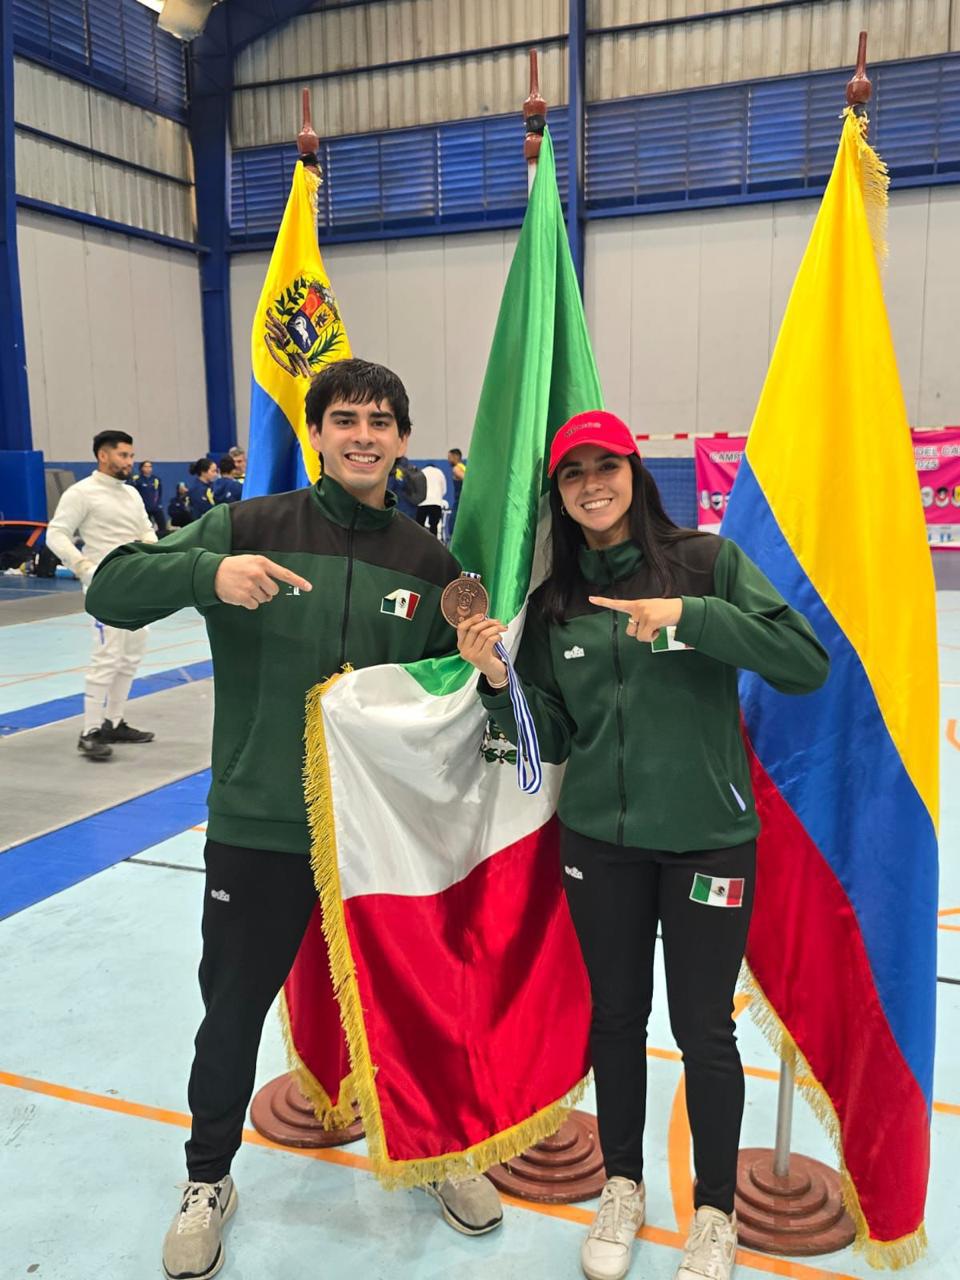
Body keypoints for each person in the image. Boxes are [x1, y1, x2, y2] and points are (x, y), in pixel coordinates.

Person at [85, 359, 504, 1280]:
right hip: (261, 821)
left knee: (420, 1006)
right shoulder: (249, 528)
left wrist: (487, 670)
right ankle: (207, 1179)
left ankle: (440, 1150)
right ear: (317, 432)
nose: (364, 435)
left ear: (402, 440)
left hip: (385, 837)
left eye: (382, 421)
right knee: (231, 1011)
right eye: (345, 418)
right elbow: (108, 590)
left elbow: (454, 698)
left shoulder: (429, 565)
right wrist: (210, 571)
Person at [456, 410, 829, 1280]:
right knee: (616, 1018)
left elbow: (802, 663)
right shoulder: (556, 604)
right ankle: (622, 1186)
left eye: (607, 466)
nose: (593, 484)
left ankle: (715, 1214)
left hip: (708, 843)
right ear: (558, 492)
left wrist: (692, 617)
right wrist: (499, 681)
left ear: (635, 471)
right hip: (600, 844)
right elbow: (549, 735)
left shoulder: (705, 564)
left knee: (704, 1029)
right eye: (573, 473)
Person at [45, 430, 158, 761]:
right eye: (123, 455)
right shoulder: (82, 493)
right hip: (105, 589)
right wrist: (83, 567)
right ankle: (89, 731)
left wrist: (155, 556)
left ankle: (114, 722)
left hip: (136, 586)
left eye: (131, 456)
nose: (129, 461)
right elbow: (56, 534)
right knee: (107, 657)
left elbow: (146, 531)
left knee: (131, 654)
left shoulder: (131, 494)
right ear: (103, 455)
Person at [132, 460, 167, 535]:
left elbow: (159, 492)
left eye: (150, 467)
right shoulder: (137, 480)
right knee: (146, 528)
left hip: (156, 507)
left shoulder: (156, 479)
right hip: (144, 508)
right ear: (141, 468)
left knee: (163, 528)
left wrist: (158, 504)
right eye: (146, 466)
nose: (148, 468)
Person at [416, 463, 447, 538]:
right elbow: (444, 489)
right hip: (436, 503)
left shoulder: (421, 472)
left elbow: (417, 487)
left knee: (419, 526)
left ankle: (419, 541)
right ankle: (433, 542)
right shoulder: (439, 472)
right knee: (434, 525)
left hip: (422, 502)